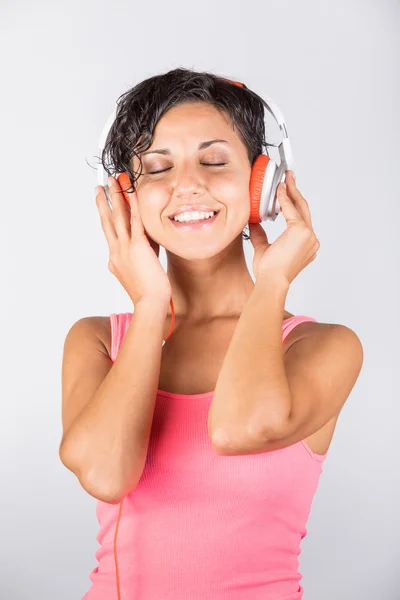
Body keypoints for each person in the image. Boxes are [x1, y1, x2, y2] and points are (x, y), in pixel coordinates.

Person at [59, 67, 364, 599]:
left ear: (260, 184)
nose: (187, 185)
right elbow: (108, 475)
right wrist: (150, 304)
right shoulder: (99, 340)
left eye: (214, 160)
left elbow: (237, 429)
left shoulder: (321, 347)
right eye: (158, 167)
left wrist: (273, 284)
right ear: (128, 197)